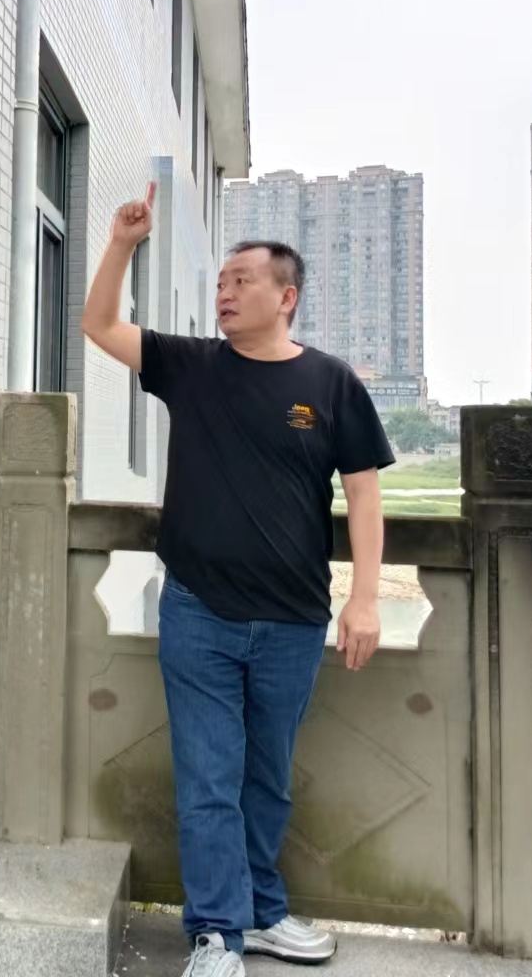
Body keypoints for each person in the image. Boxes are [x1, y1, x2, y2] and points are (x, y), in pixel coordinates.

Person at [81, 183, 393, 977]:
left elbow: (363, 493)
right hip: (199, 612)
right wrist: (122, 244)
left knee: (267, 778)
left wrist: (364, 599)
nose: (225, 291)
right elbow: (99, 325)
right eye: (221, 282)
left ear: (286, 297)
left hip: (293, 620)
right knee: (209, 777)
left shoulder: (330, 384)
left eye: (242, 280)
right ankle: (217, 934)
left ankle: (261, 913)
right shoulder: (191, 366)